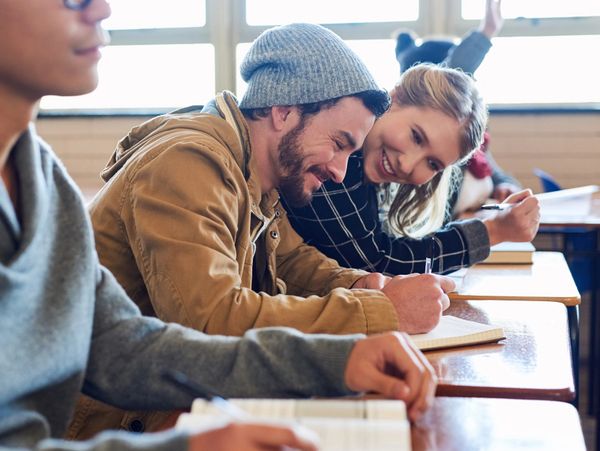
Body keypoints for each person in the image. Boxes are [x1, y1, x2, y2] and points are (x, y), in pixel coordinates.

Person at [0, 2, 439, 450]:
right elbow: (210, 320)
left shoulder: (42, 177)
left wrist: (337, 358)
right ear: (284, 111)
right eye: (338, 144)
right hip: (108, 426)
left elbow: (122, 346)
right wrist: (374, 313)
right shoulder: (188, 160)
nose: (103, 7)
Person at [283, 62, 539, 276]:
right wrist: (494, 231)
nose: (406, 165)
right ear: (395, 98)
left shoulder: (368, 160)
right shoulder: (337, 161)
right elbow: (377, 263)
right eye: (416, 137)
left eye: (433, 164)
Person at [395, 0, 521, 216]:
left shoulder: (468, 134)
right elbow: (456, 70)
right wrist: (485, 33)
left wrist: (506, 186)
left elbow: (493, 170)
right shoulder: (438, 135)